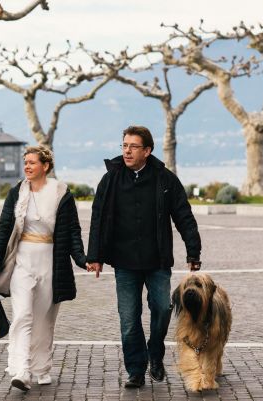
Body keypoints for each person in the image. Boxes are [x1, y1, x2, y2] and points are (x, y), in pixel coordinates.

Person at [86, 125, 202, 388]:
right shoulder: (111, 179)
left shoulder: (165, 179)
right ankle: (136, 370)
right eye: (124, 146)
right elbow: (98, 218)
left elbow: (184, 216)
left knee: (162, 309)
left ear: (147, 151)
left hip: (157, 261)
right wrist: (95, 256)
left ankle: (155, 352)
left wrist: (193, 251)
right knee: (129, 319)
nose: (127, 151)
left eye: (133, 147)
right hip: (124, 262)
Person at [0, 145, 87, 391]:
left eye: (32, 162)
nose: (27, 167)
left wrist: (82, 259)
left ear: (46, 166)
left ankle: (41, 367)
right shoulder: (17, 192)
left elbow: (72, 231)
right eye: (26, 162)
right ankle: (21, 369)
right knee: (22, 314)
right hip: (22, 261)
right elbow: (4, 228)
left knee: (44, 319)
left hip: (50, 262)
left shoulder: (61, 193)